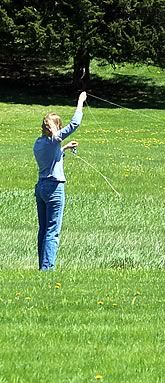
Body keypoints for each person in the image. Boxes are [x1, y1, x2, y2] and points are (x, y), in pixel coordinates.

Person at [33, 91, 87, 270]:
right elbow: (75, 123)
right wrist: (80, 101)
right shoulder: (53, 140)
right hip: (54, 188)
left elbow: (51, 157)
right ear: (55, 127)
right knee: (52, 231)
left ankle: (43, 266)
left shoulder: (39, 143)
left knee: (43, 230)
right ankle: (47, 269)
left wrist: (63, 148)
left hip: (40, 187)